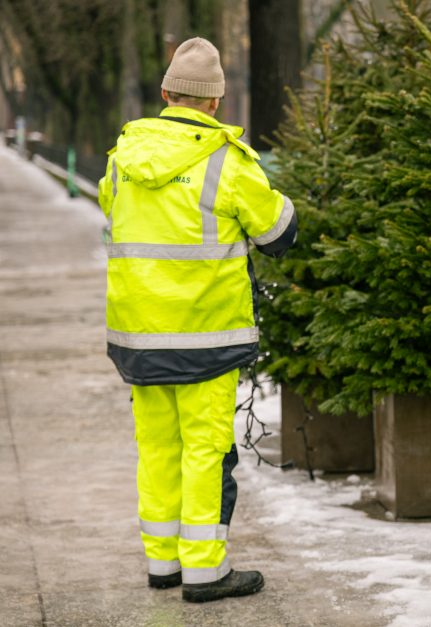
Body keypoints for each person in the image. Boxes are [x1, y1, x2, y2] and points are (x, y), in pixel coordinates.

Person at [97, 37, 297, 602]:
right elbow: (279, 233)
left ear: (165, 94)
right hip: (208, 336)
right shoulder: (227, 162)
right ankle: (206, 573)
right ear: (215, 103)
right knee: (205, 451)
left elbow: (111, 212)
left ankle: (163, 564)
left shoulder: (123, 160)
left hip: (139, 335)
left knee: (157, 448)